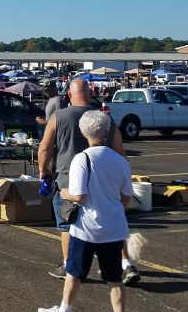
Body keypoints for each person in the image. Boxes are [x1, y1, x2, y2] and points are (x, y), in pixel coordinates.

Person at [38, 78, 136, 284]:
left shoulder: (59, 116)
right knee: (112, 223)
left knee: (67, 224)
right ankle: (125, 264)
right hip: (104, 180)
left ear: (69, 95)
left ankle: (68, 265)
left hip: (68, 181)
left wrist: (43, 171)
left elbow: (45, 148)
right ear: (91, 94)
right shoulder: (105, 120)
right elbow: (120, 151)